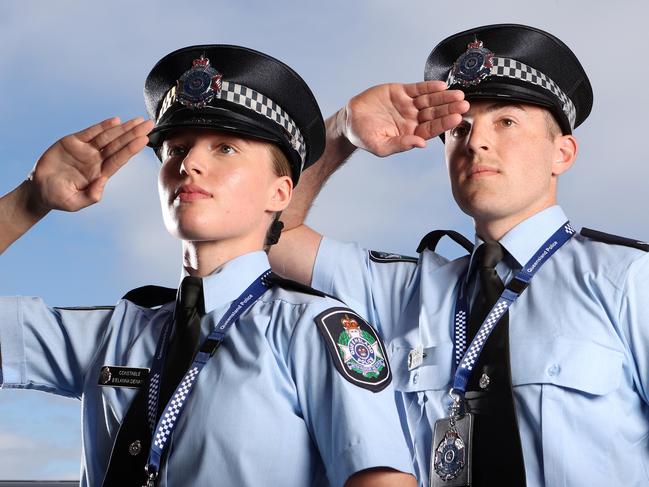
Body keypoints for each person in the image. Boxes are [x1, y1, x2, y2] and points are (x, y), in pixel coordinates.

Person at [0, 45, 421, 487]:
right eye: (176, 148)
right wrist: (28, 202)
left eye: (225, 148)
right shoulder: (114, 334)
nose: (190, 164)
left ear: (280, 194)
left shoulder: (315, 330)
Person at [269, 24, 649, 487]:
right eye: (460, 129)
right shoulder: (404, 292)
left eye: (505, 121)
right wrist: (340, 132)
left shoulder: (629, 279)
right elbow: (270, 236)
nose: (475, 142)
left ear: (562, 153)